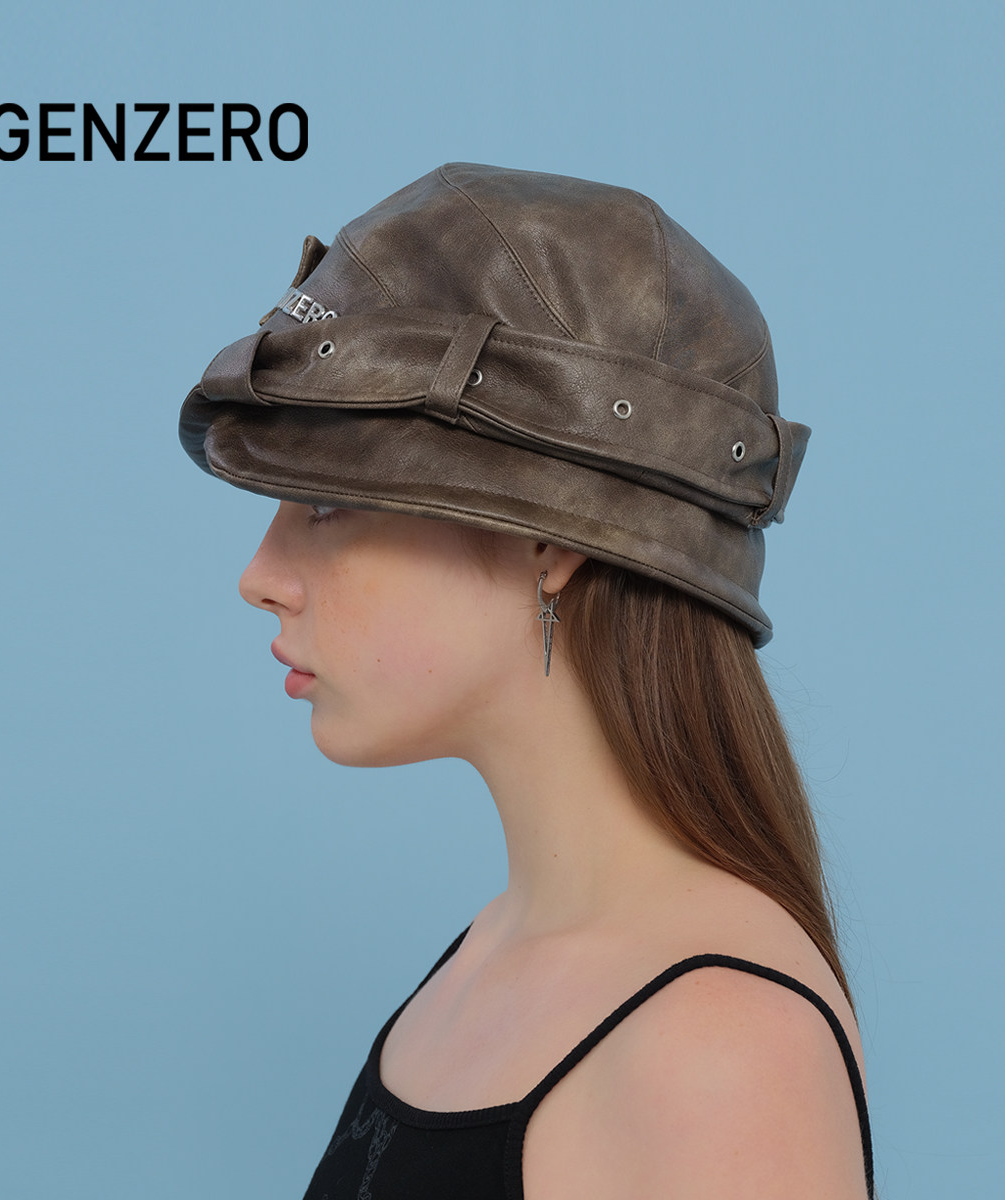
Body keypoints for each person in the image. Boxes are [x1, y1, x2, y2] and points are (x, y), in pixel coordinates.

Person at [179, 163, 874, 1199]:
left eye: (325, 504)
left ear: (553, 542)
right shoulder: (487, 958)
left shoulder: (720, 1050)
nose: (261, 577)